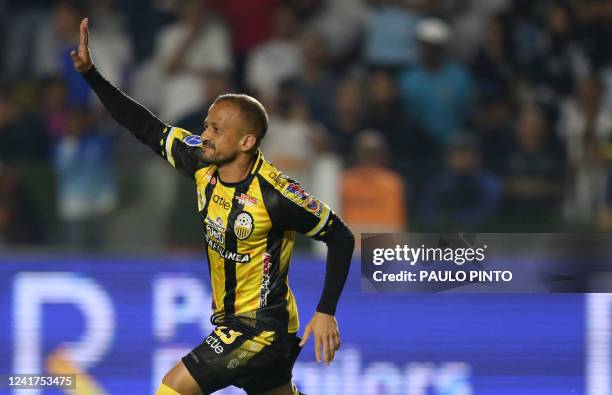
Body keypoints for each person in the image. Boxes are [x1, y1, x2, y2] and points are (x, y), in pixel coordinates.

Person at [70, 18, 354, 395]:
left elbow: (341, 236)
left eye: (216, 130)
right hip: (234, 321)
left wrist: (326, 311)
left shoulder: (277, 195)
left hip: (261, 330)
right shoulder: (202, 162)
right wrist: (92, 76)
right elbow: (146, 127)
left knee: (172, 389)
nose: (204, 135)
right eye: (206, 125)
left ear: (247, 141)